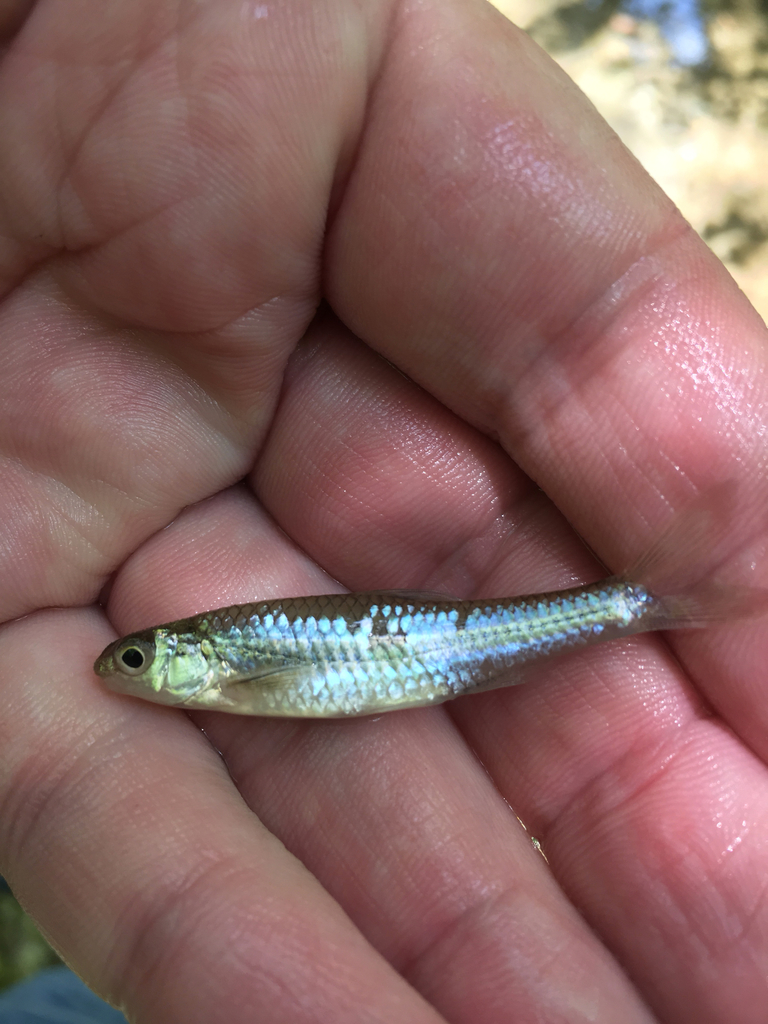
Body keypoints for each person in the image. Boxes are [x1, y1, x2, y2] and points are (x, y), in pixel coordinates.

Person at [0, 0, 767, 1021]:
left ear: (189, 656)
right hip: (431, 644)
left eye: (144, 658)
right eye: (140, 658)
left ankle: (637, 602)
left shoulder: (224, 661)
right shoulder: (221, 664)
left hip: (433, 642)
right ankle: (633, 604)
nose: (134, 667)